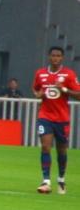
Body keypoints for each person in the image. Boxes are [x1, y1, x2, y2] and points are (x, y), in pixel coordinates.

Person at [32, 47, 80, 195]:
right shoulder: (40, 73)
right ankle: (46, 181)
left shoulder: (69, 74)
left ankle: (61, 178)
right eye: (53, 55)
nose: (55, 58)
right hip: (45, 116)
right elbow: (35, 89)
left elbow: (78, 95)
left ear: (62, 58)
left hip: (62, 118)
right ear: (49, 57)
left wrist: (64, 90)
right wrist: (38, 94)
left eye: (58, 56)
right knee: (46, 147)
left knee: (61, 150)